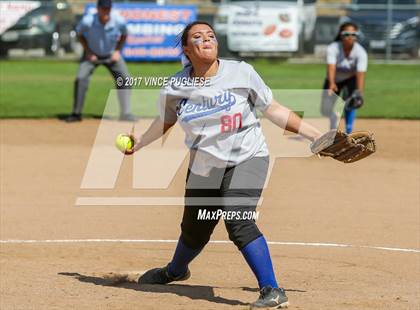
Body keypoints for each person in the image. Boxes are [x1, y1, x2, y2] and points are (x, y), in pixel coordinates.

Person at [125, 21, 322, 309]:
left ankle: (272, 290)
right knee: (195, 229)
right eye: (197, 37)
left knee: (238, 219)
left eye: (211, 36)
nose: (207, 40)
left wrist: (317, 136)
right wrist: (140, 141)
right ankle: (176, 271)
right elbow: (166, 120)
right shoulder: (175, 86)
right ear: (186, 50)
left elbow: (274, 109)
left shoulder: (241, 72)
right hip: (204, 166)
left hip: (247, 157)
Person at [65, 0, 135, 122]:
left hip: (111, 54)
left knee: (124, 79)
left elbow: (124, 34)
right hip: (92, 54)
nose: (105, 11)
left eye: (108, 8)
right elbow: (79, 34)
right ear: (98, 9)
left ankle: (126, 113)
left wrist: (117, 51)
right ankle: (76, 113)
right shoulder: (88, 21)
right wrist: (88, 51)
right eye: (103, 8)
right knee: (81, 78)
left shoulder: (118, 20)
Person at [321, 22, 368, 133]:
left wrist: (359, 92)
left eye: (353, 34)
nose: (350, 37)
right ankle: (333, 122)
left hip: (350, 79)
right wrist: (332, 83)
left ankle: (348, 131)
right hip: (333, 78)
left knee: (351, 102)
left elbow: (360, 73)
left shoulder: (361, 52)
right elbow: (331, 67)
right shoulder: (333, 48)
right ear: (341, 35)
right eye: (346, 34)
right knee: (325, 109)